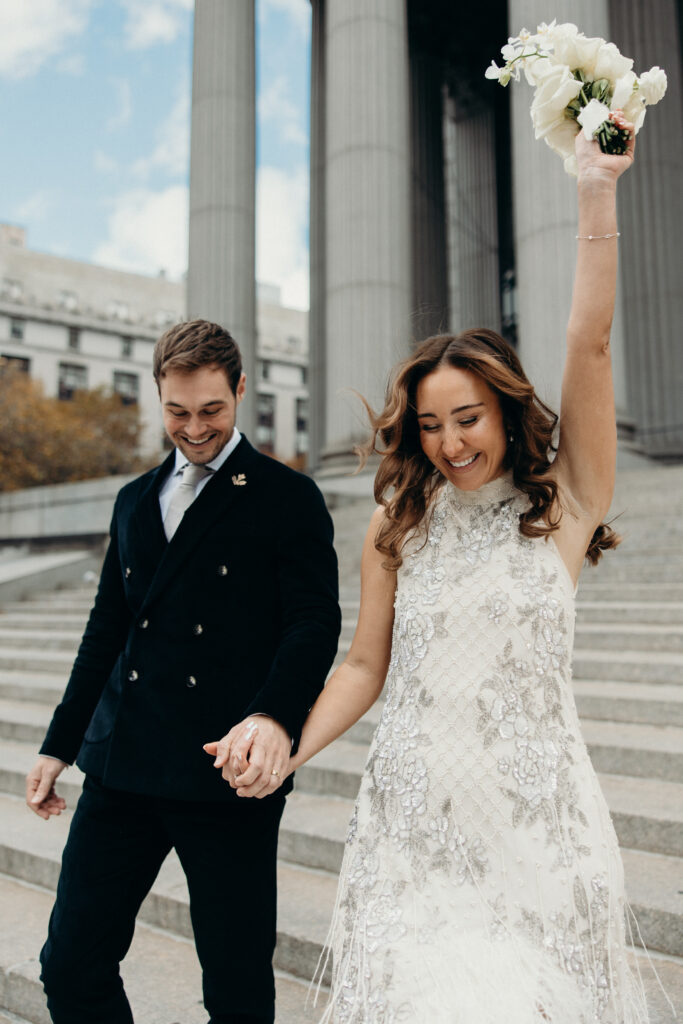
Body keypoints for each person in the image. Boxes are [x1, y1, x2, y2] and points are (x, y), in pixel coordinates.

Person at [231, 114, 655, 1021]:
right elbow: (363, 666)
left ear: (502, 410)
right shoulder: (398, 523)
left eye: (465, 417)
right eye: (429, 425)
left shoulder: (567, 507)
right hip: (414, 834)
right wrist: (287, 746)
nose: (449, 442)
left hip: (539, 833)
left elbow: (587, 344)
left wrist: (594, 190)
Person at [25, 319, 341, 1024]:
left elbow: (313, 624)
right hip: (121, 765)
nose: (193, 429)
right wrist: (60, 743)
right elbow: (106, 629)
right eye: (176, 411)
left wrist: (273, 717)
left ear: (239, 391)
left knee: (236, 991)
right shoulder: (134, 499)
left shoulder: (285, 496)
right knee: (70, 965)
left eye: (210, 410)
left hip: (225, 770)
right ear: (158, 396)